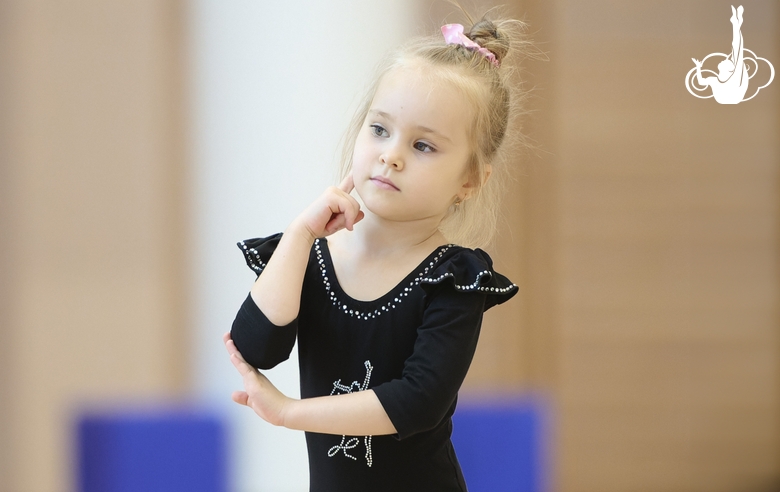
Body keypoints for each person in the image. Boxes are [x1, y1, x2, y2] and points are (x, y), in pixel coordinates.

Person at [225, 9, 531, 491]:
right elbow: (255, 346)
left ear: (469, 180)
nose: (391, 154)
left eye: (424, 146)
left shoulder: (453, 279)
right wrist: (301, 235)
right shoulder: (312, 255)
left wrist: (289, 412)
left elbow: (417, 401)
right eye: (380, 130)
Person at [692, 5, 748, 104]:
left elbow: (737, 49)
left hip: (730, 97)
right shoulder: (718, 79)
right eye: (728, 60)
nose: (724, 59)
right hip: (730, 98)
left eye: (726, 61)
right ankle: (736, 23)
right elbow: (700, 82)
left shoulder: (729, 78)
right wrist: (698, 67)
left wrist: (698, 67)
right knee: (737, 51)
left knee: (737, 50)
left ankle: (736, 23)